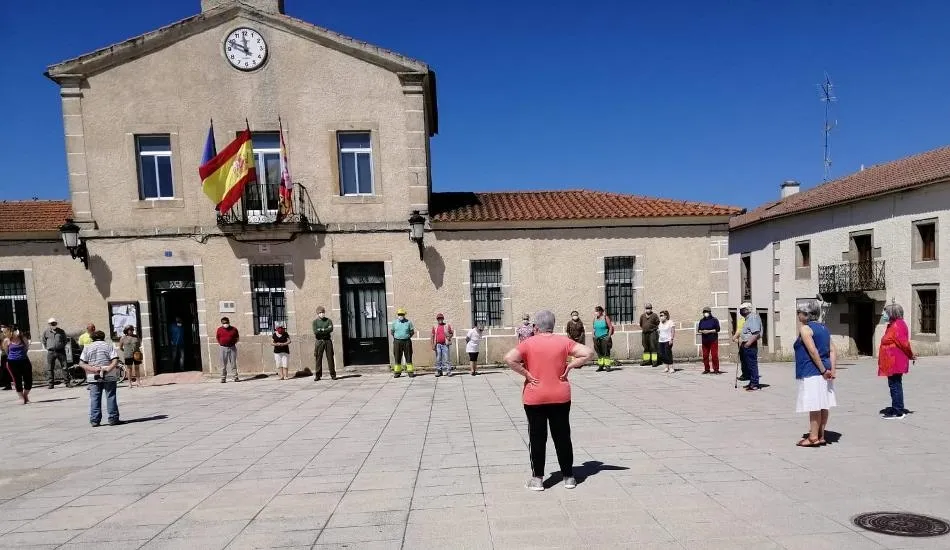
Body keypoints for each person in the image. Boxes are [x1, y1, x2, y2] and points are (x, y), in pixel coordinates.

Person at [504, 310, 595, 491]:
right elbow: (588, 353)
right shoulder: (564, 342)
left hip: (535, 396)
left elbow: (509, 358)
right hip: (560, 396)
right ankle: (569, 477)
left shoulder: (528, 343)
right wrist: (570, 365)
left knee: (537, 437)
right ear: (552, 326)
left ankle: (538, 479)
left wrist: (526, 373)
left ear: (536, 327)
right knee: (562, 436)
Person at [794, 300, 837, 446]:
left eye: (798, 312)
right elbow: (832, 350)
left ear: (806, 314)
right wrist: (832, 369)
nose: (798, 315)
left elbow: (812, 351)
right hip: (826, 369)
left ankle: (813, 437)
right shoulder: (824, 328)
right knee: (823, 403)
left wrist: (823, 370)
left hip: (813, 370)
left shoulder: (805, 329)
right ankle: (821, 434)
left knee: (814, 404)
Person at [878, 303, 915, 419]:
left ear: (892, 313)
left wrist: (911, 355)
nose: (883, 314)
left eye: (886, 312)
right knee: (893, 384)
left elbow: (904, 343)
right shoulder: (893, 324)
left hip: (896, 361)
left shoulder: (898, 325)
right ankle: (896, 406)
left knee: (895, 385)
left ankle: (898, 411)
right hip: (891, 361)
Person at [79, 330, 120, 426]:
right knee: (111, 396)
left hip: (93, 376)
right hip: (109, 375)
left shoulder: (87, 347)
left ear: (92, 338)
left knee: (95, 398)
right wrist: (108, 369)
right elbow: (115, 360)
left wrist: (93, 369)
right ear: (103, 337)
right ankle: (113, 418)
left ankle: (95, 420)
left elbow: (81, 363)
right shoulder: (108, 346)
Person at [3, 326, 32, 404]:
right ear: (11, 332)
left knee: (28, 380)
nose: (17, 332)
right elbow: (6, 351)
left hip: (24, 361)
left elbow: (26, 348)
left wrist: (21, 355)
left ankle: (25, 395)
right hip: (12, 363)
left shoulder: (23, 338)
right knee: (17, 380)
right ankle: (21, 397)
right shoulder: (7, 340)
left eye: (17, 330)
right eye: (15, 330)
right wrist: (13, 356)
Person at [739, 302, 762, 391]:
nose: (741, 311)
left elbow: (756, 333)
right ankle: (752, 382)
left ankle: (754, 384)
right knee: (748, 364)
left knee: (752, 365)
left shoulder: (752, 317)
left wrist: (748, 343)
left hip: (750, 344)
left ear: (748, 309)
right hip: (746, 343)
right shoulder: (747, 318)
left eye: (743, 309)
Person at [41, 318, 68, 389]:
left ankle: (67, 382)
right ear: (49, 324)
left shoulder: (61, 331)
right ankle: (51, 384)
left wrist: (61, 346)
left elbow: (65, 340)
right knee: (50, 368)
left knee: (64, 367)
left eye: (54, 323)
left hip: (60, 351)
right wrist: (48, 347)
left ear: (56, 323)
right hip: (51, 352)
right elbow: (43, 341)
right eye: (51, 323)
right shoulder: (46, 332)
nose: (53, 324)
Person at [313, 307, 337, 381]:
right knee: (318, 358)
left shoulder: (328, 320)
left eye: (323, 312)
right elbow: (315, 332)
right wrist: (325, 330)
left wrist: (321, 330)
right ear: (317, 313)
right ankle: (318, 375)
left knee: (330, 357)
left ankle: (333, 374)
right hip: (319, 341)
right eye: (320, 312)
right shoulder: (315, 322)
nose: (321, 314)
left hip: (327, 340)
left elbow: (331, 329)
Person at [391, 308, 415, 378]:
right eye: (399, 314)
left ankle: (410, 372)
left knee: (408, 356)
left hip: (407, 341)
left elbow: (412, 332)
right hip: (397, 341)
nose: (400, 315)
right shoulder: (394, 322)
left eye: (402, 314)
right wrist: (397, 337)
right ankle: (397, 372)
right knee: (397, 356)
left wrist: (407, 337)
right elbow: (392, 332)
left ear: (404, 315)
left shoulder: (408, 322)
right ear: (397, 315)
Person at [697, 307, 721, 374]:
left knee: (714, 355)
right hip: (704, 340)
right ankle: (706, 369)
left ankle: (716, 369)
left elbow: (718, 329)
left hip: (713, 340)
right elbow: (699, 329)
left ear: (710, 312)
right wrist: (702, 331)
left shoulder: (714, 320)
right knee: (705, 355)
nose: (705, 313)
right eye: (704, 312)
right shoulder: (702, 320)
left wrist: (709, 331)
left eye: (706, 312)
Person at [216, 317, 240, 383]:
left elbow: (237, 338)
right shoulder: (219, 329)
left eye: (226, 322)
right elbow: (217, 338)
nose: (225, 324)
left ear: (229, 322)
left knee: (233, 363)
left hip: (232, 347)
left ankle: (235, 377)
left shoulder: (234, 329)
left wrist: (233, 343)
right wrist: (222, 343)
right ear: (222, 323)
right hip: (223, 347)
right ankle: (223, 378)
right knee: (223, 364)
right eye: (224, 323)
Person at [592, 306, 614, 372]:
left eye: (598, 311)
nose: (596, 312)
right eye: (596, 311)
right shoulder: (594, 319)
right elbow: (594, 328)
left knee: (606, 352)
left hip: (604, 338)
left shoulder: (605, 318)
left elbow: (610, 327)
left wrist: (608, 336)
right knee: (599, 353)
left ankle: (607, 366)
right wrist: (593, 336)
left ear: (601, 311)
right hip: (597, 338)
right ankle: (601, 366)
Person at [733, 311, 749, 381]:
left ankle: (747, 375)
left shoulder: (749, 320)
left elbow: (741, 330)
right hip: (741, 342)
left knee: (747, 359)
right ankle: (744, 374)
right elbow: (739, 329)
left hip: (746, 341)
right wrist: (735, 338)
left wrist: (735, 337)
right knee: (742, 359)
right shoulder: (741, 320)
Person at [0, 323, 12, 391]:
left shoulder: (5, 334)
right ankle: (7, 384)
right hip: (5, 353)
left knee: (6, 369)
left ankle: (8, 384)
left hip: (6, 354)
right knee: (5, 369)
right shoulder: (5, 334)